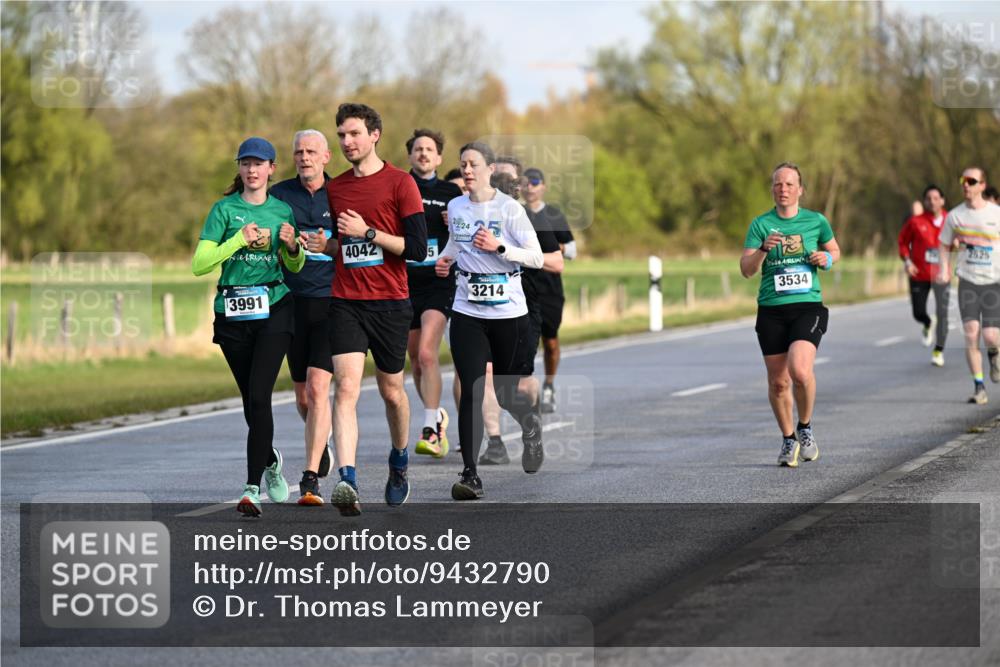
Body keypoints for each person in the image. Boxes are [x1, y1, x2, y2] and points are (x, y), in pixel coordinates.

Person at [305, 103, 427, 516]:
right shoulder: (335, 188)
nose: (346, 142)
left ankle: (398, 460)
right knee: (346, 388)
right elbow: (347, 245)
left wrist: (367, 232)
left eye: (353, 134)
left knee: (391, 392)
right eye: (340, 135)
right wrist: (329, 246)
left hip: (391, 303)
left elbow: (415, 248)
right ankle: (348, 479)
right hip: (347, 301)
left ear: (374, 135)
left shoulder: (401, 184)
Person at [192, 137, 304, 516]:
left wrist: (292, 248)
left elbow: (294, 266)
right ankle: (270, 459)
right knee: (250, 404)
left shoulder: (282, 211)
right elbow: (200, 264)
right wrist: (237, 240)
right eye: (246, 163)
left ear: (272, 169)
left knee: (260, 396)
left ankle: (251, 487)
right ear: (239, 168)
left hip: (274, 308)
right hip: (233, 313)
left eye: (260, 164)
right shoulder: (224, 210)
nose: (252, 170)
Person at [435, 142, 545, 499]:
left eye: (473, 164)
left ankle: (529, 425)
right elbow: (457, 243)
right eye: (462, 164)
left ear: (488, 170)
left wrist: (499, 247)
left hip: (508, 313)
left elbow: (537, 258)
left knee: (505, 391)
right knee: (471, 389)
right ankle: (470, 474)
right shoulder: (456, 206)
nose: (466, 170)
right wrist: (445, 259)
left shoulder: (509, 208)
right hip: (467, 310)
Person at [740, 162, 840, 468]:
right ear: (772, 189)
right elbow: (746, 270)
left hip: (807, 306)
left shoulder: (815, 221)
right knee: (778, 382)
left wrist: (826, 258)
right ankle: (788, 439)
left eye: (789, 184)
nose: (783, 189)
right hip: (771, 310)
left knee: (799, 371)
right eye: (777, 184)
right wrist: (762, 251)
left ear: (800, 190)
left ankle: (805, 427)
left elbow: (835, 251)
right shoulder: (760, 225)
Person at [269, 129, 335, 506]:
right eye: (299, 152)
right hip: (291, 302)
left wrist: (330, 245)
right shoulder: (280, 196)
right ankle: (319, 438)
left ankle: (310, 479)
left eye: (312, 151)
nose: (305, 157)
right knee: (303, 397)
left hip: (330, 302)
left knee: (317, 387)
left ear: (326, 156)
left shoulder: (339, 194)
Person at [405, 129, 463, 458]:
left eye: (430, 149)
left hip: (440, 280)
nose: (424, 154)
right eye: (418, 149)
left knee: (428, 353)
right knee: (415, 361)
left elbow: (469, 230)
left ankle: (431, 427)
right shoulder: (401, 185)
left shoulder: (451, 192)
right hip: (406, 280)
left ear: (439, 158)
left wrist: (453, 221)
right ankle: (436, 414)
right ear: (410, 155)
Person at [936, 167, 1000, 404]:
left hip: (993, 282)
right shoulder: (955, 216)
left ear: (982, 185)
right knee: (971, 333)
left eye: (971, 181)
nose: (966, 184)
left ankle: (994, 353)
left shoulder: (996, 213)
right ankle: (979, 386)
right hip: (968, 282)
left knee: (991, 336)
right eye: (963, 180)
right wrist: (943, 268)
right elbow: (943, 244)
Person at [522, 167, 577, 413]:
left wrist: (547, 253)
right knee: (525, 341)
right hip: (523, 288)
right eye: (525, 183)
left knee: (550, 341)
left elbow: (572, 250)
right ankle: (526, 388)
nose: (530, 187)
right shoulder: (516, 213)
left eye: (534, 183)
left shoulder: (554, 215)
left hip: (551, 289)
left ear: (543, 186)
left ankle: (549, 384)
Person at [898, 184, 950, 366]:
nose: (932, 202)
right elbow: (902, 242)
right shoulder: (915, 222)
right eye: (928, 199)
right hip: (919, 273)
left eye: (936, 198)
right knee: (918, 312)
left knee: (943, 314)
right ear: (924, 201)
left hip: (941, 275)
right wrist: (907, 261)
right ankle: (927, 322)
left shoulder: (951, 220)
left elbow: (964, 239)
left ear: (942, 201)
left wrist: (959, 244)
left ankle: (938, 351)